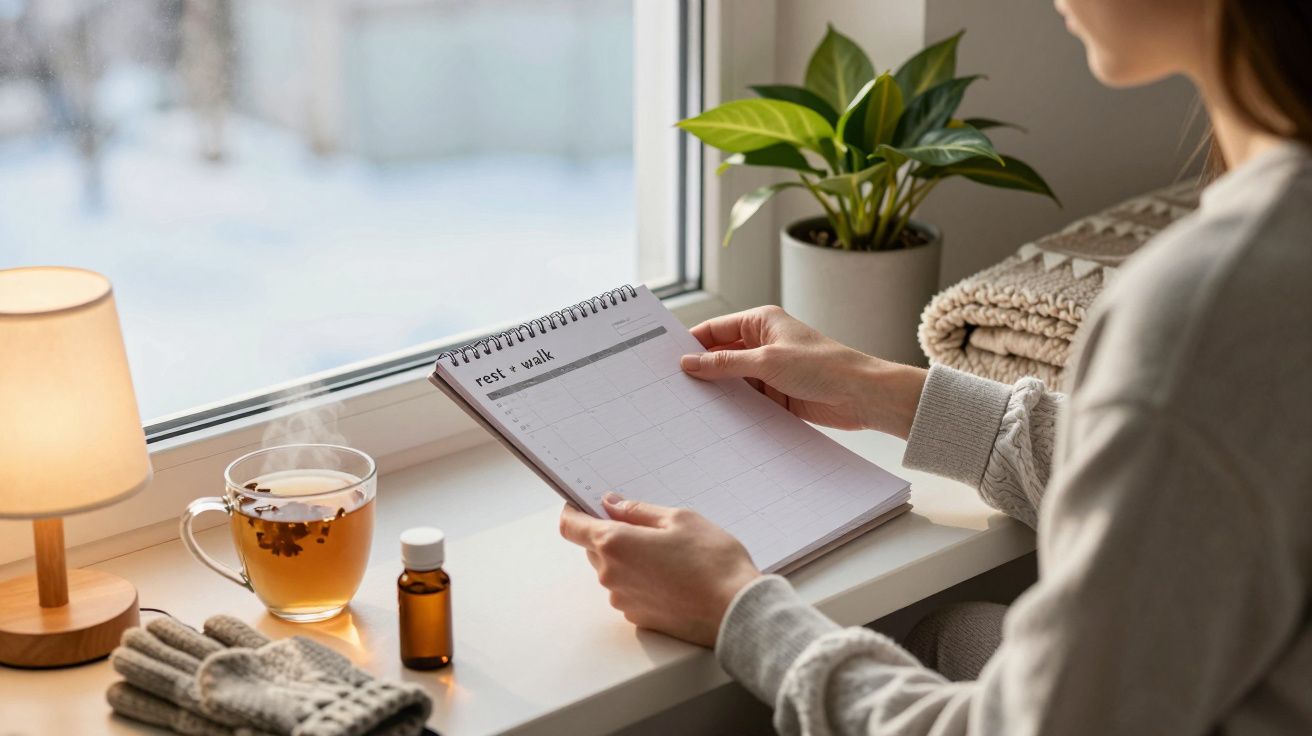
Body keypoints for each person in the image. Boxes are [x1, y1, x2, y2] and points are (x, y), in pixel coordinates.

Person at [559, 0, 1312, 733]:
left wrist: (733, 609)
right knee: (957, 636)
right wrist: (881, 389)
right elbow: (1207, 462)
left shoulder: (1211, 302)